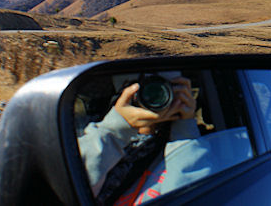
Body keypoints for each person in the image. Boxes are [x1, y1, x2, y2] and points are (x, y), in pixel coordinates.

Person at [78, 75, 252, 206]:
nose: (150, 94)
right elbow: (69, 184)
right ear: (119, 96)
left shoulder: (189, 150)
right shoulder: (95, 137)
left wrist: (185, 128)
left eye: (165, 86)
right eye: (135, 87)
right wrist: (115, 128)